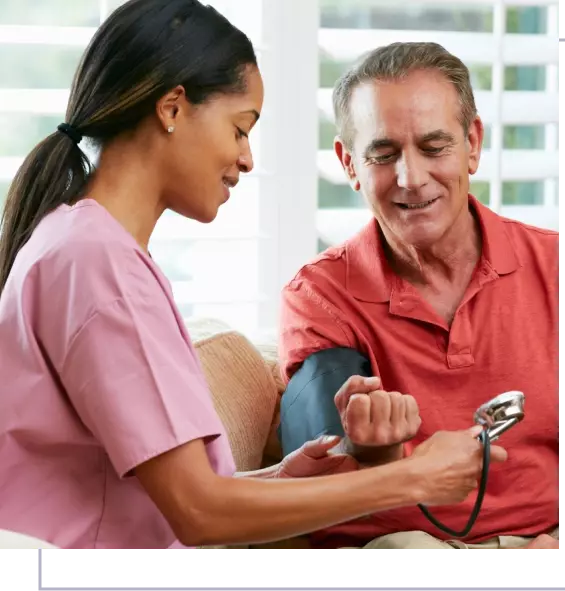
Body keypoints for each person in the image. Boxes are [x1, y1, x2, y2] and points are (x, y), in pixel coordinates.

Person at [0, 1, 507, 552]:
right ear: (172, 107)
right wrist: (411, 477)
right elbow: (197, 513)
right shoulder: (96, 265)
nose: (246, 158)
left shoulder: (85, 246)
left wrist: (277, 481)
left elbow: (157, 498)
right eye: (241, 129)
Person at [278, 41, 560, 552]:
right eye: (383, 155)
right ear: (348, 163)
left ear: (472, 143)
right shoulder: (318, 296)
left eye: (434, 147)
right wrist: (372, 447)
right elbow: (322, 475)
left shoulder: (560, 268)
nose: (411, 178)